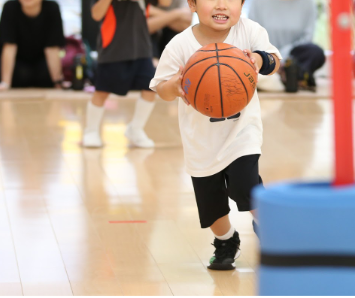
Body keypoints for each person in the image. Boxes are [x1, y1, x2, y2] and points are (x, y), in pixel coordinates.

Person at [150, 0, 281, 270]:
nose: (222, 4)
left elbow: (274, 61)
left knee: (246, 187)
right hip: (201, 142)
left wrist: (257, 59)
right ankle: (226, 240)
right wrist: (174, 86)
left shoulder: (249, 31)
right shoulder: (180, 44)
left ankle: (272, 233)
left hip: (242, 133)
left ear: (242, 5)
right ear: (192, 4)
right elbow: (160, 88)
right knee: (212, 209)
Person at [82, 0, 171, 148]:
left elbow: (166, 2)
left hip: (141, 48)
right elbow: (96, 14)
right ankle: (91, 131)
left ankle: (135, 129)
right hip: (112, 49)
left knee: (150, 88)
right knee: (102, 91)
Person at [248, 0, 325, 92]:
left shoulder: (308, 3)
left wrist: (281, 58)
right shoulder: (258, 2)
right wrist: (272, 58)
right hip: (265, 56)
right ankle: (295, 77)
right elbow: (253, 35)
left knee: (316, 52)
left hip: (293, 56)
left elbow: (307, 37)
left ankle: (284, 76)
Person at [0, 0, 65, 91]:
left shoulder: (52, 8)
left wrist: (57, 82)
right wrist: (5, 83)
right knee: (22, 74)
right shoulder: (10, 7)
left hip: (42, 63)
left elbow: (52, 48)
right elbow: (9, 46)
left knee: (45, 74)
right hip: (18, 64)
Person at [148, 0, 193, 67]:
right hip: (150, 45)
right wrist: (177, 15)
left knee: (175, 33)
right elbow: (145, 27)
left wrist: (152, 11)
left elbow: (186, 24)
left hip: (167, 43)